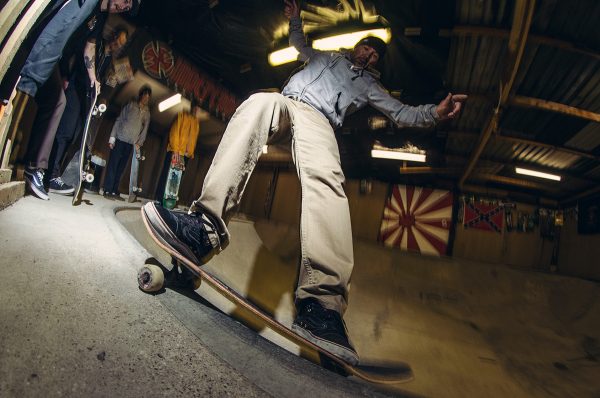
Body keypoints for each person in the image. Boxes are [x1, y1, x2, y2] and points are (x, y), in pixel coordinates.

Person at [141, 0, 466, 365]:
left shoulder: (372, 87)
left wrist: (434, 114)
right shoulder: (326, 55)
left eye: (376, 56)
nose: (369, 57)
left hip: (320, 121)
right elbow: (299, 43)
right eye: (368, 49)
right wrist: (295, 18)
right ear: (359, 46)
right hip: (286, 102)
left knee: (326, 177)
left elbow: (402, 113)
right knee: (256, 105)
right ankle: (203, 230)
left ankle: (322, 305)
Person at [19, 0, 140, 200]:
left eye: (127, 7)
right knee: (61, 119)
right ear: (114, 36)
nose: (124, 7)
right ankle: (39, 168)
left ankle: (46, 171)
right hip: (62, 70)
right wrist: (66, 73)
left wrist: (95, 79)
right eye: (125, 2)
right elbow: (70, 37)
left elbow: (88, 49)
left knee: (70, 126)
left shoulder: (100, 20)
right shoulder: (88, 7)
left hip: (78, 84)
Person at [47, 27, 130, 195]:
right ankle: (49, 174)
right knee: (65, 132)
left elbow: (108, 85)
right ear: (112, 36)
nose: (115, 45)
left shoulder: (111, 61)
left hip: (88, 100)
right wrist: (67, 76)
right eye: (116, 40)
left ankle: (56, 174)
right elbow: (80, 58)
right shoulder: (96, 45)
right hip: (76, 90)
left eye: (120, 44)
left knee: (74, 137)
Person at [103, 85, 151, 200]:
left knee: (121, 167)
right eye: (145, 96)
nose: (146, 99)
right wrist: (112, 137)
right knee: (113, 165)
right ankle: (107, 189)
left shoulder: (147, 113)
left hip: (131, 143)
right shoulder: (131, 105)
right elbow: (119, 120)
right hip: (120, 138)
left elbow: (145, 129)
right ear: (141, 96)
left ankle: (114, 190)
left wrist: (140, 142)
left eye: (148, 97)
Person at [153, 102, 202, 204]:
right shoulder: (182, 116)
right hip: (176, 151)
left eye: (199, 110)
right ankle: (159, 197)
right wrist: (175, 150)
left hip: (185, 155)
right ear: (192, 108)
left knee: (177, 179)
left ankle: (169, 200)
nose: (197, 111)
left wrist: (190, 152)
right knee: (167, 175)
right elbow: (174, 132)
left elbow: (193, 139)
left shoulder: (196, 123)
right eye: (196, 109)